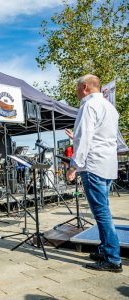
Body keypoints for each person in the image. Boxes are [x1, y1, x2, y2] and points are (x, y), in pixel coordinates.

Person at [67, 74, 122, 272]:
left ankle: (113, 259)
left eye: (77, 87)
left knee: (101, 212)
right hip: (107, 164)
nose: (75, 91)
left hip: (92, 165)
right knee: (103, 209)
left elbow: (84, 139)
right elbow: (103, 137)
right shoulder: (110, 107)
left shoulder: (88, 106)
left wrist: (73, 166)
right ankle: (105, 248)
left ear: (84, 87)